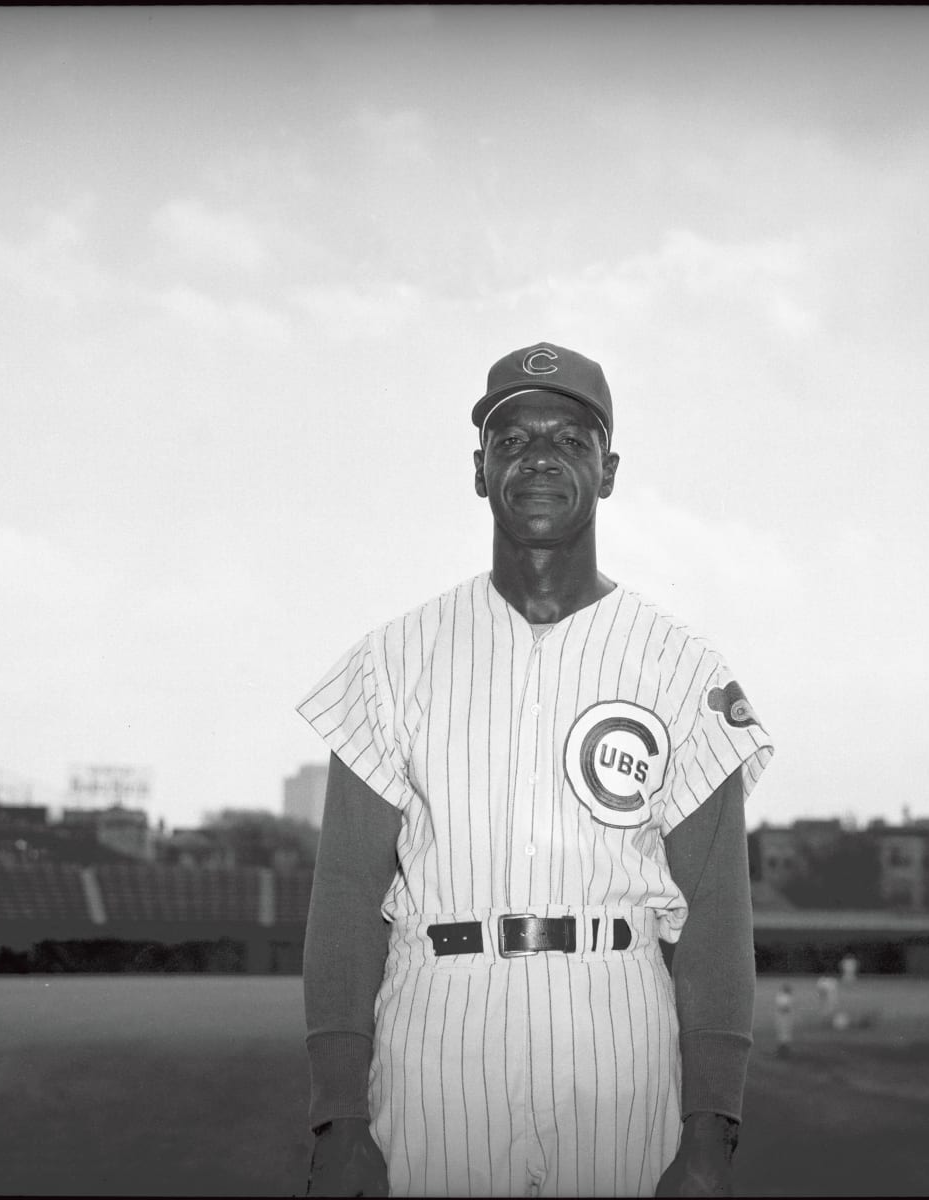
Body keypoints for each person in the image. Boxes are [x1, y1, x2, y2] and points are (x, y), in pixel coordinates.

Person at [297, 342, 775, 1198]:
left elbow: (715, 917)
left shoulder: (681, 664)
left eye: (571, 438)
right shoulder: (390, 660)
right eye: (512, 441)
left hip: (618, 1029)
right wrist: (338, 1118)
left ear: (611, 468)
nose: (541, 457)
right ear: (479, 472)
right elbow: (343, 898)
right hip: (437, 1035)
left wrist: (710, 1136)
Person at [773, 982, 795, 1056]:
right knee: (783, 1034)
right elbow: (784, 1008)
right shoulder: (784, 997)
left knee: (784, 1034)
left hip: (784, 1017)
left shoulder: (783, 996)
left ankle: (783, 1050)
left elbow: (785, 1008)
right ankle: (783, 1050)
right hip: (783, 1017)